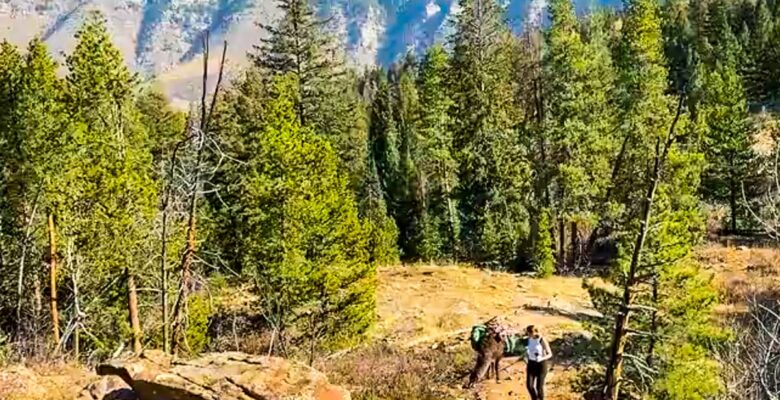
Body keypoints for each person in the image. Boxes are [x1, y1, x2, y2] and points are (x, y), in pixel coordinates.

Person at [524, 325, 552, 400]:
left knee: (539, 387)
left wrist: (542, 358)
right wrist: (526, 356)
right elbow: (530, 350)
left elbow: (550, 354)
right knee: (529, 386)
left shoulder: (541, 340)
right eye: (528, 333)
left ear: (535, 332)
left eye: (530, 333)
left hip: (541, 365)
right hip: (531, 363)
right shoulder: (529, 339)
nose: (529, 334)